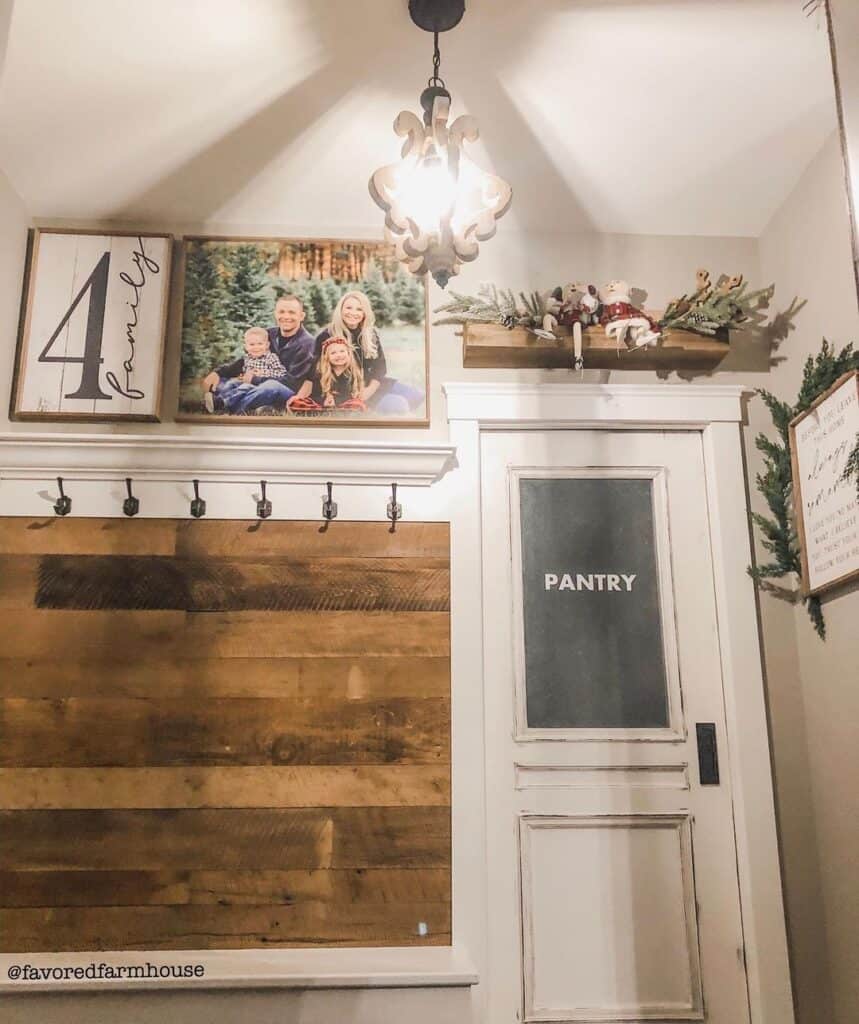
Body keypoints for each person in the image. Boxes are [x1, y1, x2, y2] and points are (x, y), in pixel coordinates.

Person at [200, 295, 315, 414]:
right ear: (275, 314)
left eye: (292, 312)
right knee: (226, 381)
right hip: (259, 384)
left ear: (301, 316)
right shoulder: (269, 334)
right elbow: (248, 358)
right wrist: (219, 373)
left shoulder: (307, 343)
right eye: (281, 312)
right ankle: (256, 406)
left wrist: (256, 379)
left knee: (271, 387)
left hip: (287, 391)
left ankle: (225, 406)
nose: (286, 316)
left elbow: (293, 381)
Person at [313, 291, 423, 415]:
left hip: (372, 384)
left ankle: (382, 404)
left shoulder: (369, 334)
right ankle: (371, 408)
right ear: (340, 309)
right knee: (400, 405)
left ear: (365, 313)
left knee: (417, 395)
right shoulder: (327, 335)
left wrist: (370, 389)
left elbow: (380, 367)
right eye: (348, 308)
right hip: (349, 390)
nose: (353, 313)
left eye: (359, 309)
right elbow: (317, 372)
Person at [202, 327, 286, 414]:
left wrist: (263, 374)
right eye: (252, 344)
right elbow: (236, 369)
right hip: (244, 383)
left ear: (267, 345)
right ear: (246, 346)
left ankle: (224, 403)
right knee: (231, 383)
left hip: (258, 387)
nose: (256, 347)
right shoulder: (247, 358)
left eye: (260, 344)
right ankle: (217, 400)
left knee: (244, 388)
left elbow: (281, 372)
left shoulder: (271, 358)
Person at [287, 336, 367, 413]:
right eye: (333, 353)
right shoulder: (319, 371)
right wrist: (323, 401)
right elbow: (311, 391)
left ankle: (337, 411)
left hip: (342, 404)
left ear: (348, 353)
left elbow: (352, 394)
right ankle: (319, 411)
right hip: (319, 403)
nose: (338, 355)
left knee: (358, 404)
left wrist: (335, 401)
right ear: (327, 357)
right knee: (296, 403)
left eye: (342, 351)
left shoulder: (352, 372)